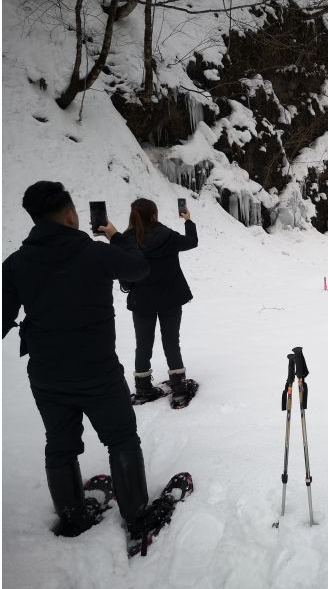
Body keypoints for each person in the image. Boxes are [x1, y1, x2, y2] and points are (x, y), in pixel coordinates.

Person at [2, 181, 167, 541]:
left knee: (59, 445)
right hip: (99, 373)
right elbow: (139, 270)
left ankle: (72, 516)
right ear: (71, 214)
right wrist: (117, 237)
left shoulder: (15, 264)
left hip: (46, 376)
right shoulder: (95, 253)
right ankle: (137, 516)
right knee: (121, 438)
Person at [122, 198, 198, 409]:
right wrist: (188, 221)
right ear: (154, 215)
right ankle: (179, 390)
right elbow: (192, 241)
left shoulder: (128, 240)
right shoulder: (167, 236)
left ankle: (143, 389)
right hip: (171, 298)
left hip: (142, 301)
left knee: (143, 344)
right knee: (171, 341)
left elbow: (126, 278)